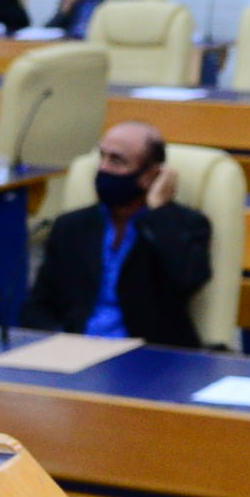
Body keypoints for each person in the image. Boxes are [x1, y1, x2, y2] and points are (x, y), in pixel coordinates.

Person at [24, 123, 215, 346]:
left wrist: (159, 212)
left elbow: (188, 279)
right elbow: (37, 306)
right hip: (75, 349)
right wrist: (60, 341)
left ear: (151, 175)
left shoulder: (184, 225)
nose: (103, 168)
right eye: (102, 156)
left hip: (147, 355)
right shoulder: (71, 226)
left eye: (116, 161)